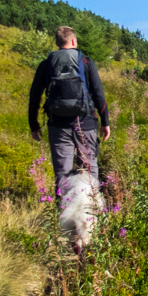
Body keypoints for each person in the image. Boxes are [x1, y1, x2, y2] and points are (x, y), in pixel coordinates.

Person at [28, 26, 111, 196]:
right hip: (85, 123)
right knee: (89, 169)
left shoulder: (46, 64)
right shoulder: (86, 62)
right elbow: (98, 94)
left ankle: (62, 215)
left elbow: (35, 96)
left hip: (58, 125)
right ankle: (93, 214)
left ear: (57, 43)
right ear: (73, 41)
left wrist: (34, 124)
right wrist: (105, 122)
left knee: (62, 173)